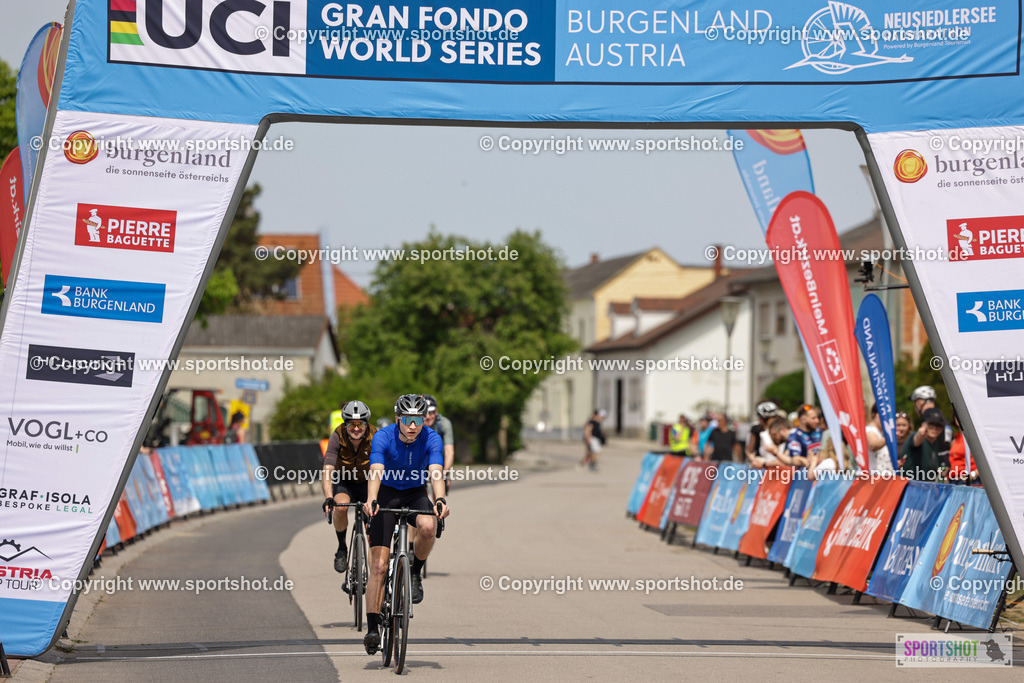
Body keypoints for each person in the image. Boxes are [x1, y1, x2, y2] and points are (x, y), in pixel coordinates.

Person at [362, 394, 449, 655]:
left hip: (415, 493)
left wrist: (440, 499)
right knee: (379, 566)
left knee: (429, 527)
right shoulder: (383, 436)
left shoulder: (431, 437)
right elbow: (376, 470)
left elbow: (435, 472)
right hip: (386, 493)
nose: (413, 426)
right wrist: (371, 499)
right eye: (408, 419)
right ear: (398, 418)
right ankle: (372, 628)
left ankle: (414, 572)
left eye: (418, 420)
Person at [321, 400, 377, 573]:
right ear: (345, 424)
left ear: (366, 424)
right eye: (352, 424)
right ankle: (342, 547)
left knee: (372, 520)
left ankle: (375, 571)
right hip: (344, 481)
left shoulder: (375, 436)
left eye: (361, 424)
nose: (356, 428)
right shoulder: (337, 436)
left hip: (368, 482)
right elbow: (327, 469)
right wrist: (329, 497)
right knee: (341, 507)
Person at [901, 407, 948, 481]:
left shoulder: (935, 443)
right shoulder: (916, 436)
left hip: (926, 486)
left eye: (938, 426)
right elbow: (917, 440)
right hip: (911, 485)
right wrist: (920, 434)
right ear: (923, 425)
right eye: (931, 425)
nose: (934, 428)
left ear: (942, 429)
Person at [423, 395, 455, 492]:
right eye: (425, 413)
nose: (428, 416)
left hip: (439, 458)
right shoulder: (415, 424)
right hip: (421, 459)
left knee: (438, 485)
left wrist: (445, 473)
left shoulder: (444, 423)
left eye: (431, 412)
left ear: (436, 411)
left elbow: (449, 452)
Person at [947, 410, 979, 484]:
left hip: (971, 481)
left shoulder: (974, 437)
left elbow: (986, 461)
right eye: (956, 414)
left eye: (961, 414)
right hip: (954, 481)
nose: (958, 417)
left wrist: (973, 474)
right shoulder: (956, 437)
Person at [865, 404, 894, 473]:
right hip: (873, 476)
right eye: (882, 414)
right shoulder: (869, 430)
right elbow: (873, 445)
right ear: (873, 415)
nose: (885, 417)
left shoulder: (880, 433)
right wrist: (890, 436)